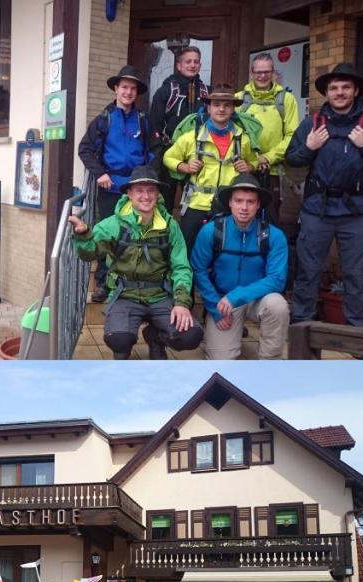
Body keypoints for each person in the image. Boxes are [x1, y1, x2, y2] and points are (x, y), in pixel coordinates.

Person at [285, 62, 363, 328]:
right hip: (316, 210)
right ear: (327, 93)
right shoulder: (312, 123)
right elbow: (291, 161)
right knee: (307, 272)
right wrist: (309, 148)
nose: (339, 92)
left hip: (355, 212)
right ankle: (301, 328)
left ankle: (359, 335)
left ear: (355, 91)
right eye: (334, 88)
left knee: (357, 275)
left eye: (345, 87)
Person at [69, 166, 203, 360]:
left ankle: (155, 337)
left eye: (151, 190)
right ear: (129, 194)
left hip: (160, 294)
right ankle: (123, 353)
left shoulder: (170, 226)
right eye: (139, 190)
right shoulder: (113, 224)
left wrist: (182, 302)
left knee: (190, 336)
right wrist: (83, 236)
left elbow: (181, 267)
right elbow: (89, 254)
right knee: (119, 339)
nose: (146, 196)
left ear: (158, 194)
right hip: (126, 294)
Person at [190, 174, 289, 359]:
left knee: (278, 305)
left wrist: (237, 296)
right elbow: (198, 269)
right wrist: (214, 306)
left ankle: (270, 361)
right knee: (220, 365)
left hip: (257, 299)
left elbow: (277, 279)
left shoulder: (274, 235)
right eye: (239, 201)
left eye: (250, 202)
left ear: (258, 205)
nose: (244, 207)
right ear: (230, 203)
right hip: (222, 301)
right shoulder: (212, 231)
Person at [78, 66, 154, 303]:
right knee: (107, 235)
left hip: (137, 188)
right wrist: (100, 173)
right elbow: (85, 149)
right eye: (124, 87)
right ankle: (103, 283)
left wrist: (145, 173)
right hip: (110, 187)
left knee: (138, 235)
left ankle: (132, 281)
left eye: (132, 88)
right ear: (116, 88)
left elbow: (153, 150)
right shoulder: (103, 119)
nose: (128, 92)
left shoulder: (143, 120)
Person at [163, 83, 260, 256]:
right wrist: (184, 166)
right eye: (216, 104)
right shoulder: (192, 137)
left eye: (227, 105)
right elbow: (168, 157)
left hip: (228, 204)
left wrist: (249, 167)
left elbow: (254, 161)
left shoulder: (242, 139)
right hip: (196, 204)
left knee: (222, 253)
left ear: (233, 109)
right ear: (208, 108)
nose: (221, 109)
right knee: (188, 252)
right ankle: (188, 284)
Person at [236, 53, 301, 223]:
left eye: (267, 71)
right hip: (244, 169)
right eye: (258, 72)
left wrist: (267, 157)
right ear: (251, 73)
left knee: (270, 218)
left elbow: (291, 136)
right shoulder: (238, 99)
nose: (262, 76)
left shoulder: (286, 99)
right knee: (242, 216)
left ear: (273, 73)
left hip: (271, 170)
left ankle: (267, 250)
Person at [149, 44, 209, 212]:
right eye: (188, 61)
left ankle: (190, 236)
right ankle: (164, 236)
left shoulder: (207, 93)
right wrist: (157, 158)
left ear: (200, 65)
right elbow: (155, 125)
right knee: (164, 202)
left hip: (197, 156)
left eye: (196, 62)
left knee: (195, 203)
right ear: (179, 65)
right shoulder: (166, 91)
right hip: (170, 154)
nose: (192, 65)